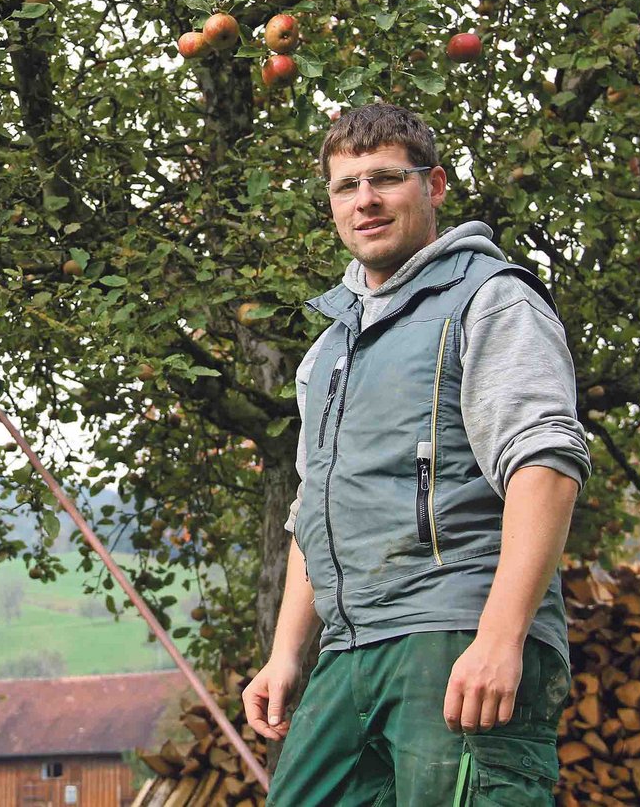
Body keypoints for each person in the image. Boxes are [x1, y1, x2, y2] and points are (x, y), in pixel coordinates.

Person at [242, 104, 590, 805]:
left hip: (454, 629)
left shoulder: (490, 302)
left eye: (385, 179)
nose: (364, 200)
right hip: (350, 650)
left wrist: (500, 637)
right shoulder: (327, 353)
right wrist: (286, 654)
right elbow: (315, 511)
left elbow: (545, 467)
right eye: (346, 186)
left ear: (432, 187)